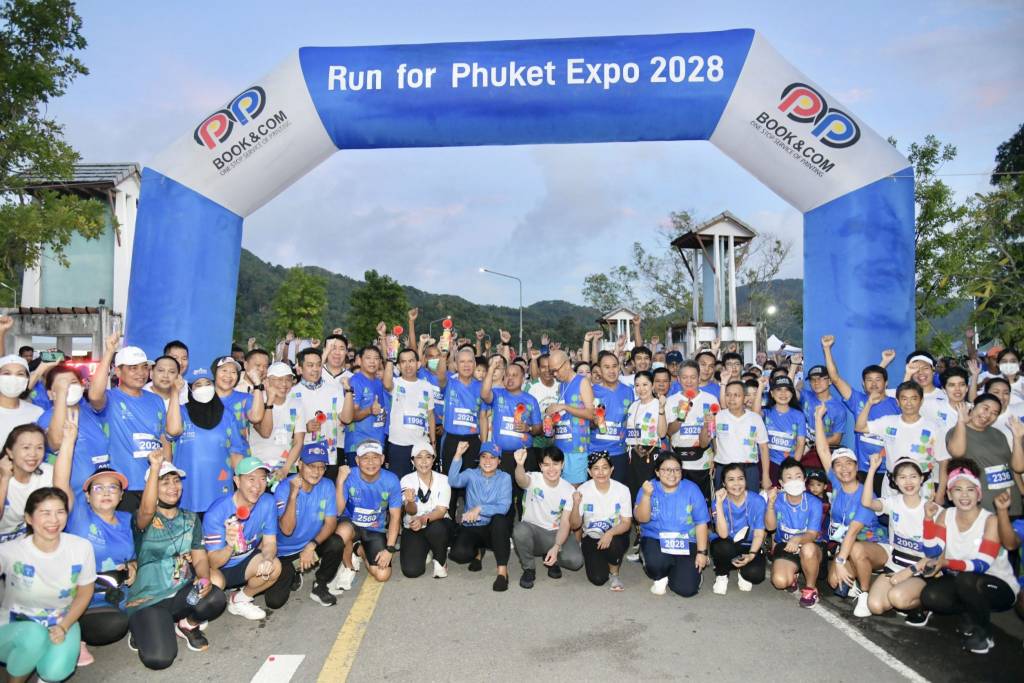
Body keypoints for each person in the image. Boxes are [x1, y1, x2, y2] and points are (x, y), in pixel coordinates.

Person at [126, 455, 225, 668]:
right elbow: (147, 510)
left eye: (176, 481)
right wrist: (155, 467)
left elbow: (199, 556)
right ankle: (141, 628)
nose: (173, 487)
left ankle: (186, 625)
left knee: (215, 598)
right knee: (160, 658)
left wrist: (204, 579)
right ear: (152, 488)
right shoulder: (142, 518)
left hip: (181, 593)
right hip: (149, 600)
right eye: (164, 482)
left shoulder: (190, 518)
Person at [52, 413, 134, 665]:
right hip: (85, 601)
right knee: (114, 625)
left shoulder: (127, 520)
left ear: (121, 495)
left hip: (119, 595)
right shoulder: (79, 515)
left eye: (113, 488)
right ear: (87, 496)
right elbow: (60, 484)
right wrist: (68, 442)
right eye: (98, 488)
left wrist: (134, 566)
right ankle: (77, 635)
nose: (106, 492)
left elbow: (133, 557)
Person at [920, 462, 1020, 653]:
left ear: (979, 494)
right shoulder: (946, 515)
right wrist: (928, 519)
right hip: (962, 580)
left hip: (998, 585)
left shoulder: (990, 520)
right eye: (958, 490)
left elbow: (981, 565)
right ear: (949, 495)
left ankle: (984, 633)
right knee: (930, 596)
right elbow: (932, 551)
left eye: (970, 490)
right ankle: (970, 613)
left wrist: (946, 562)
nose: (964, 495)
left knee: (966, 580)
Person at [0, 487, 95, 683]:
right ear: (28, 518)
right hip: (14, 624)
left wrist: (64, 626)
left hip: (60, 619)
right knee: (33, 637)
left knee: (55, 671)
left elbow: (85, 592)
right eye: (45, 513)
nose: (54, 520)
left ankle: (41, 664)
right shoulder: (10, 551)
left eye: (60, 512)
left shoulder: (81, 547)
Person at [88, 335, 182, 512]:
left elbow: (163, 439)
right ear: (118, 372)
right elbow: (94, 395)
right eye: (133, 368)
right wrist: (109, 352)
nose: (141, 373)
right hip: (123, 487)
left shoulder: (156, 400)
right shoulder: (110, 398)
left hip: (153, 484)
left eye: (144, 367)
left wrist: (166, 475)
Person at [813, 405, 888, 618]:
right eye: (838, 465)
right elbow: (823, 450)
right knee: (835, 582)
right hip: (846, 544)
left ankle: (865, 594)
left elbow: (853, 532)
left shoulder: (866, 494)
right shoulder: (837, 483)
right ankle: (856, 577)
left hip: (873, 545)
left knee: (855, 550)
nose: (844, 468)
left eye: (848, 464)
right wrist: (818, 418)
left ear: (856, 467)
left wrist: (839, 561)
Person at [203, 457, 282, 621]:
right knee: (215, 584)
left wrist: (267, 558)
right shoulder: (216, 513)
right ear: (237, 481)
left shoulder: (268, 502)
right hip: (219, 568)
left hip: (245, 562)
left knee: (274, 566)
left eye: (262, 479)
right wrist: (229, 546)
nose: (257, 485)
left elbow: (270, 542)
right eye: (251, 479)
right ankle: (195, 615)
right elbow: (213, 563)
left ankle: (239, 600)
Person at [265, 443, 342, 608]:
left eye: (321, 467)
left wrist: (311, 545)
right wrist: (293, 495)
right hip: (285, 553)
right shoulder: (283, 488)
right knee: (274, 602)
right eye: (311, 466)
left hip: (310, 545)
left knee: (336, 543)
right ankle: (294, 570)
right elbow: (287, 530)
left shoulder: (327, 485)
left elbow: (331, 523)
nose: (316, 472)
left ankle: (321, 584)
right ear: (300, 464)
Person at [861, 454, 932, 624]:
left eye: (913, 476)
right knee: (875, 606)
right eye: (902, 477)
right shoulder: (893, 502)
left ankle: (924, 604)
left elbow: (938, 553)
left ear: (921, 479)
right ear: (895, 481)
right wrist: (872, 469)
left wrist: (910, 571)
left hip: (920, 569)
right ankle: (905, 595)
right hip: (895, 565)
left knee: (897, 598)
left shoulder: (931, 509)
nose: (908, 482)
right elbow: (867, 502)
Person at [856, 381, 950, 502]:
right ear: (897, 402)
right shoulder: (888, 422)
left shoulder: (933, 428)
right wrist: (869, 403)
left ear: (921, 401)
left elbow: (944, 461)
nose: (909, 403)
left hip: (922, 488)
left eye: (913, 398)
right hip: (892, 487)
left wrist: (941, 493)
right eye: (904, 399)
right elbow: (860, 427)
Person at [634, 451, 710, 597]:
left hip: (686, 541)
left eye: (676, 469)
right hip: (655, 538)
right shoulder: (648, 488)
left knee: (686, 589)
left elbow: (701, 523)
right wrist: (647, 496)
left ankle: (681, 573)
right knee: (656, 564)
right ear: (657, 472)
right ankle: (660, 575)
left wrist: (702, 552)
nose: (672, 474)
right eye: (666, 470)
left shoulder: (692, 489)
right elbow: (641, 519)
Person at [175, 367, 249, 514]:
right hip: (188, 492)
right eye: (198, 385)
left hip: (220, 489)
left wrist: (243, 485)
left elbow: (236, 452)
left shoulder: (227, 415)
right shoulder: (180, 413)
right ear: (190, 389)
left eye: (208, 383)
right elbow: (169, 436)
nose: (204, 388)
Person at [512, 446, 583, 588]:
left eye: (555, 464)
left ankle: (552, 558)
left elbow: (565, 523)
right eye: (546, 464)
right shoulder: (534, 478)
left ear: (562, 465)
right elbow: (521, 480)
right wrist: (519, 465)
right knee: (519, 531)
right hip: (534, 532)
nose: (551, 469)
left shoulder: (569, 490)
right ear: (540, 466)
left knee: (576, 561)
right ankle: (529, 568)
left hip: (556, 533)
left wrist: (556, 547)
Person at [333, 439, 401, 588]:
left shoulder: (391, 480)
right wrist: (339, 482)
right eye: (365, 458)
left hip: (374, 529)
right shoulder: (348, 476)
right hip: (350, 525)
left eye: (375, 457)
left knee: (382, 575)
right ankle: (348, 567)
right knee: (343, 532)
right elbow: (338, 511)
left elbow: (395, 516)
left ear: (382, 459)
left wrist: (389, 549)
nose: (370, 462)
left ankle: (359, 550)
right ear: (357, 460)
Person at [448, 441, 513, 591]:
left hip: (493, 530)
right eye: (484, 456)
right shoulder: (471, 474)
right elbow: (453, 481)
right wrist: (458, 454)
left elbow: (503, 507)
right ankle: (478, 552)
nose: (488, 461)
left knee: (500, 520)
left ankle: (502, 572)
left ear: (499, 461)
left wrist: (480, 509)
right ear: (479, 459)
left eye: (493, 457)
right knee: (459, 554)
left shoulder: (505, 478)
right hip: (472, 526)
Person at [946, 394, 1024, 516]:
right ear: (973, 406)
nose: (988, 415)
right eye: (985, 408)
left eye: (994, 413)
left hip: (1012, 502)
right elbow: (957, 453)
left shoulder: (999, 434)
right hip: (984, 506)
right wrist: (961, 422)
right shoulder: (957, 431)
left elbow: (1018, 468)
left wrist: (1017, 439)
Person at [37, 364, 111, 494]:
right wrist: (61, 395)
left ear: (82, 386)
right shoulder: (46, 418)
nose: (68, 387)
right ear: (50, 394)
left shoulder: (92, 412)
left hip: (102, 491)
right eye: (61, 385)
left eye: (73, 382)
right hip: (70, 494)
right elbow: (56, 443)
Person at [481, 356, 540, 513]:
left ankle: (524, 522)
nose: (510, 378)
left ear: (523, 378)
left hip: (524, 455)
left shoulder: (531, 400)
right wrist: (491, 369)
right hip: (502, 455)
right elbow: (484, 394)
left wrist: (528, 428)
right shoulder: (497, 394)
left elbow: (539, 428)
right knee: (504, 495)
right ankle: (505, 524)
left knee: (524, 495)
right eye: (507, 375)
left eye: (515, 375)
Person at [765, 457, 824, 607]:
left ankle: (810, 589)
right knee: (780, 582)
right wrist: (770, 504)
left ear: (804, 479)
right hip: (785, 546)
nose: (794, 481)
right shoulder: (777, 500)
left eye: (798, 477)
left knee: (808, 548)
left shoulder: (814, 503)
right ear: (781, 482)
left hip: (810, 548)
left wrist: (797, 539)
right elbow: (770, 528)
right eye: (789, 478)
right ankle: (793, 575)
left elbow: (812, 535)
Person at [570, 452, 632, 590]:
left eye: (605, 467)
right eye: (596, 468)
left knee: (615, 544)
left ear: (612, 469)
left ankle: (614, 574)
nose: (601, 472)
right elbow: (575, 525)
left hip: (615, 535)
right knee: (598, 579)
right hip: (591, 537)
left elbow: (626, 523)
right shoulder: (583, 490)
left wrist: (609, 533)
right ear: (589, 472)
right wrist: (576, 504)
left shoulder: (622, 490)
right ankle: (602, 559)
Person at [290, 347, 348, 479]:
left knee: (328, 489)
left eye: (318, 365)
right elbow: (284, 428)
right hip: (301, 456)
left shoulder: (335, 391)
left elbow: (346, 418)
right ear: (300, 368)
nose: (315, 369)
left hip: (329, 455)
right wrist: (304, 428)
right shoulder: (291, 393)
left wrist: (349, 392)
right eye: (310, 365)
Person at [710, 463, 767, 594]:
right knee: (721, 546)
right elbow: (723, 534)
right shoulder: (718, 502)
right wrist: (718, 504)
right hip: (726, 544)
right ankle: (722, 574)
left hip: (749, 545)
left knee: (755, 575)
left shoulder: (757, 501)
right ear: (724, 484)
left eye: (740, 478)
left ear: (746, 480)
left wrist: (751, 555)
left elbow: (759, 534)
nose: (737, 484)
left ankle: (743, 570)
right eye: (731, 479)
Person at [665, 361, 718, 501]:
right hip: (678, 463)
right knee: (679, 502)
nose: (689, 381)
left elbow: (713, 435)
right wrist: (680, 417)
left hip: (703, 462)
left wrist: (716, 457)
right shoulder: (671, 401)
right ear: (678, 379)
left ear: (699, 378)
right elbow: (669, 432)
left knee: (702, 504)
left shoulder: (711, 399)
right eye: (685, 377)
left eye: (693, 377)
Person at [399, 443, 452, 579]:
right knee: (411, 571)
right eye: (419, 457)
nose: (424, 461)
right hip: (413, 526)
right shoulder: (406, 480)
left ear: (433, 460)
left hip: (437, 523)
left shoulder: (444, 480)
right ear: (412, 461)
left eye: (428, 457)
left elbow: (441, 511)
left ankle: (440, 560)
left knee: (437, 528)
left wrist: (422, 520)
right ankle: (427, 549)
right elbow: (411, 511)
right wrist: (410, 501)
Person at [383, 348, 436, 479]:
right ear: (398, 366)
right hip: (398, 444)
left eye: (411, 361)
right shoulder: (395, 383)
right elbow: (387, 384)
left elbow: (430, 415)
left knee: (421, 482)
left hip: (421, 445)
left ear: (418, 364)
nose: (408, 365)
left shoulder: (427, 386)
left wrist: (433, 443)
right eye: (403, 362)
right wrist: (390, 359)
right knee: (399, 483)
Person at [545, 349, 595, 485]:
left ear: (567, 364)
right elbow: (563, 415)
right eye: (552, 371)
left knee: (574, 491)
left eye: (556, 370)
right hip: (560, 447)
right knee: (561, 491)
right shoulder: (562, 385)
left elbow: (591, 413)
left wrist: (565, 407)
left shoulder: (582, 382)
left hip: (576, 448)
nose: (555, 374)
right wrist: (552, 420)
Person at [709, 380, 769, 492]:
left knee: (751, 501)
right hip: (723, 468)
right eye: (728, 395)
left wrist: (765, 475)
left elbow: (763, 448)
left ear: (745, 398)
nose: (731, 399)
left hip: (749, 469)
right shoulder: (717, 417)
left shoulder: (755, 418)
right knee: (723, 501)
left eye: (736, 395)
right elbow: (711, 439)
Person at [250, 361, 306, 479]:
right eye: (278, 379)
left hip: (286, 468)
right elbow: (265, 432)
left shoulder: (297, 404)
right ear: (267, 381)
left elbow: (298, 442)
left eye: (288, 379)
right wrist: (269, 402)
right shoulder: (257, 400)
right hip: (257, 467)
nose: (284, 384)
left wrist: (285, 469)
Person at [0, 424, 54, 542]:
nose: (33, 454)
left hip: (30, 542)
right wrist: (4, 479)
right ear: (10, 452)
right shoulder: (3, 476)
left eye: (39, 447)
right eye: (26, 447)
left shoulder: (48, 473)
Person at [589, 351, 633, 485]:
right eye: (606, 367)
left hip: (619, 453)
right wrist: (594, 422)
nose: (611, 371)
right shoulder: (591, 391)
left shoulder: (628, 391)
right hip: (595, 451)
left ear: (619, 367)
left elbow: (630, 421)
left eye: (614, 366)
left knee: (618, 492)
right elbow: (585, 423)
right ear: (599, 370)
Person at [624, 371, 667, 502]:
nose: (641, 389)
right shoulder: (633, 406)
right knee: (634, 491)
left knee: (650, 492)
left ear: (652, 385)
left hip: (650, 453)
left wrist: (661, 409)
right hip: (633, 454)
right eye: (637, 385)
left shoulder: (658, 404)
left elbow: (662, 434)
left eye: (645, 384)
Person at [755, 376, 806, 487]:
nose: (783, 393)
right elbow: (755, 414)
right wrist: (760, 388)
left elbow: (801, 444)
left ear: (792, 393)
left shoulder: (799, 415)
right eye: (778, 389)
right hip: (767, 464)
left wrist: (793, 466)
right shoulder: (766, 412)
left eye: (787, 389)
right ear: (772, 394)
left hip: (789, 465)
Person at [343, 344, 387, 468]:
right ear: (360, 360)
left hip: (377, 443)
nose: (372, 361)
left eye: (376, 358)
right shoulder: (355, 382)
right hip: (358, 444)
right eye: (368, 358)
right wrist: (369, 410)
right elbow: (350, 416)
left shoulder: (378, 382)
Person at [210, 355, 263, 458]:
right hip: (212, 456)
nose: (228, 375)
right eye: (224, 370)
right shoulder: (204, 399)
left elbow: (256, 417)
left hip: (239, 457)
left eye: (233, 372)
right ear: (214, 373)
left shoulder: (244, 398)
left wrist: (257, 385)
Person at [799, 364, 847, 469]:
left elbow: (836, 439)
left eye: (820, 378)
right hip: (799, 450)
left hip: (822, 454)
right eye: (812, 379)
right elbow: (787, 391)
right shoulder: (805, 396)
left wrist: (811, 444)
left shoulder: (839, 409)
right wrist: (794, 366)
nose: (816, 382)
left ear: (830, 381)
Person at [0, 354, 43, 449]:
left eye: (20, 374)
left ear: (27, 380)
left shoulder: (37, 412)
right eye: (6, 373)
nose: (13, 379)